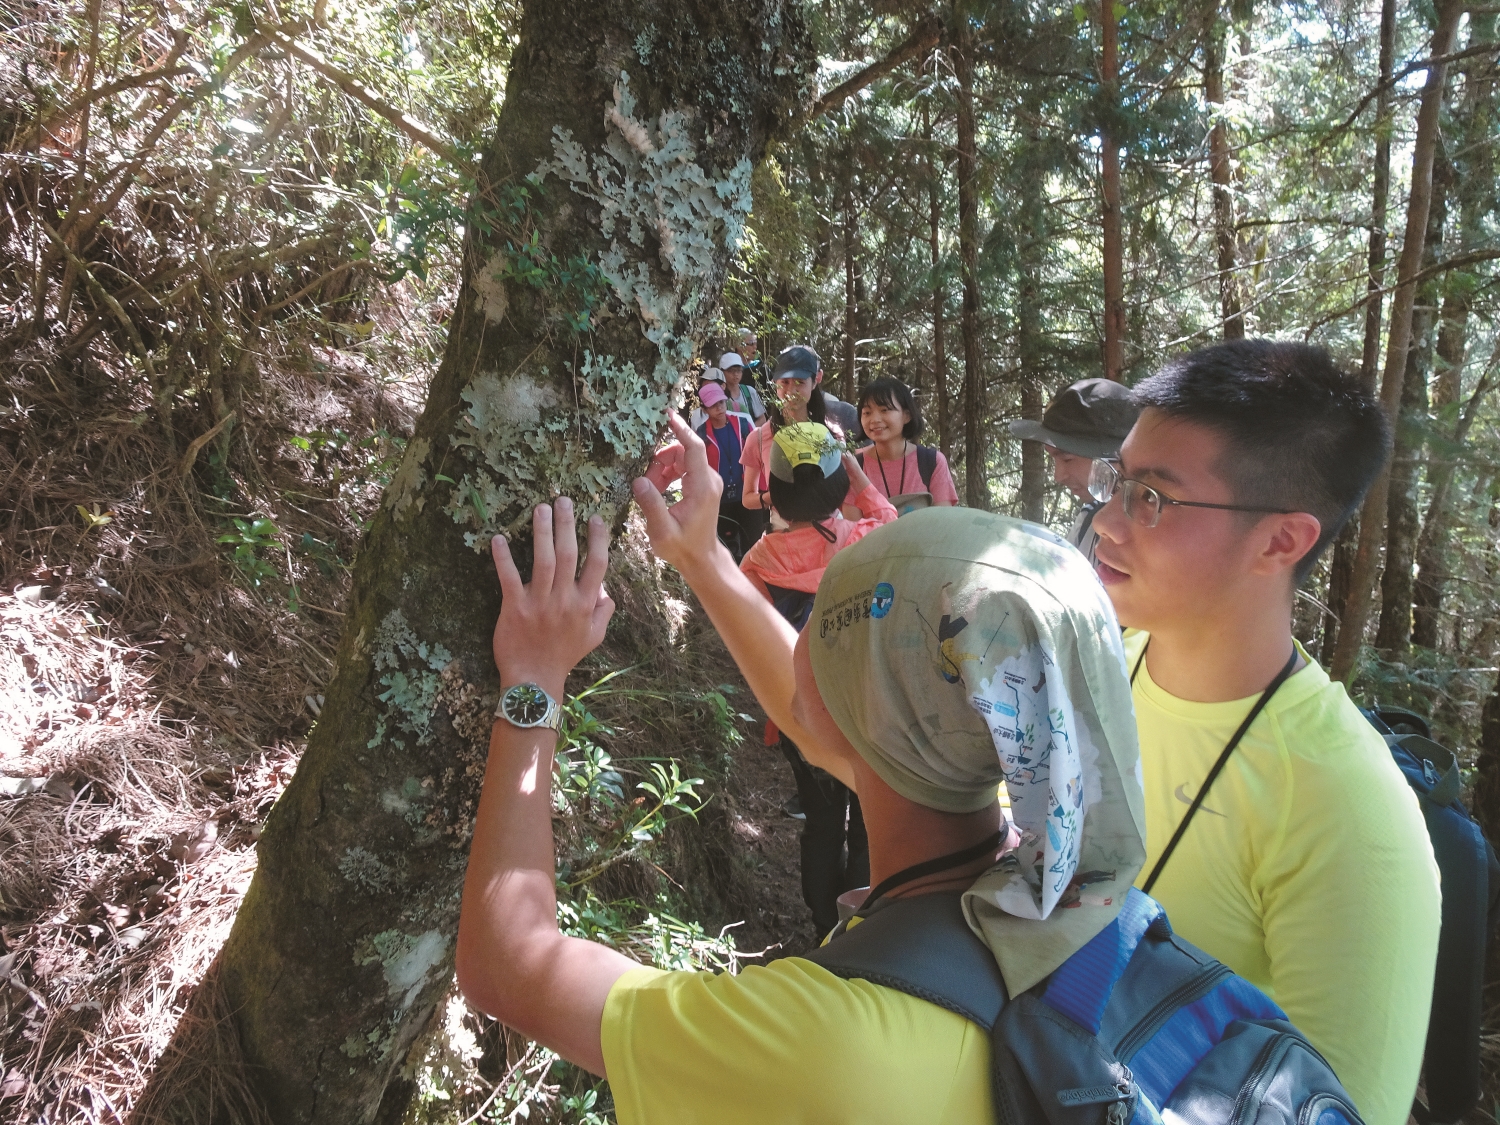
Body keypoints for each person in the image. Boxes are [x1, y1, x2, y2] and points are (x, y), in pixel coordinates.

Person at [455, 413, 1144, 1121]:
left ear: (864, 717)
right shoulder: (1048, 869)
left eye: (834, 615)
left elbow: (508, 963)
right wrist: (700, 556)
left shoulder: (820, 1041)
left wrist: (534, 676)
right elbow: (815, 720)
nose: (805, 634)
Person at [1087, 339, 1439, 1125]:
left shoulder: (1345, 807)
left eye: (1151, 498)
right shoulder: (1099, 667)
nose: (1106, 519)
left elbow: (1338, 1107)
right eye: (1116, 479)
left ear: (1282, 540)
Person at [738, 422, 897, 934]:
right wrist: (860, 477)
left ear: (777, 492)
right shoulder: (865, 541)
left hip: (801, 713)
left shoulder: (757, 564)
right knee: (871, 818)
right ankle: (860, 926)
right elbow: (889, 519)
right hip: (868, 707)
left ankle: (822, 923)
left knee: (821, 822)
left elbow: (756, 643)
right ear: (839, 486)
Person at [1007, 377, 1137, 565]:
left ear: (1116, 458)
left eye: (1067, 458)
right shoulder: (1087, 521)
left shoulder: (1158, 536)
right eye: (1053, 458)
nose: (1058, 476)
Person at [741, 345, 845, 517]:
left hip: (830, 528)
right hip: (782, 530)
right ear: (775, 384)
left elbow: (844, 487)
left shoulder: (831, 434)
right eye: (785, 382)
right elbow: (747, 499)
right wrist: (780, 496)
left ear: (815, 381)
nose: (791, 390)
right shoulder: (758, 438)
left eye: (800, 382)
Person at [856, 376, 960, 514]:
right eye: (867, 413)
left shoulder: (932, 462)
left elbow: (943, 522)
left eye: (884, 410)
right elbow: (853, 531)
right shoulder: (855, 467)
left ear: (906, 415)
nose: (874, 420)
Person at [695, 381, 759, 561]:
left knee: (753, 542)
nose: (719, 408)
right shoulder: (701, 435)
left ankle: (754, 582)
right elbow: (699, 467)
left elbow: (759, 451)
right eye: (713, 405)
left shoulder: (743, 424)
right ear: (704, 409)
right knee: (727, 545)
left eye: (721, 403)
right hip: (721, 500)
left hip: (747, 495)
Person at [718, 351, 768, 426]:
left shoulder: (749, 391)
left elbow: (762, 419)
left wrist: (749, 432)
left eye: (738, 370)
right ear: (722, 372)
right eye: (731, 371)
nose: (736, 374)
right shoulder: (717, 395)